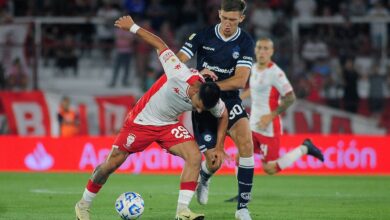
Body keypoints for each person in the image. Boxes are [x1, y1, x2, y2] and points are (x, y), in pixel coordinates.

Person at [75, 15, 229, 220]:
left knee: (194, 156)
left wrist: (219, 147)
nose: (199, 111)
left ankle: (182, 212)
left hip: (167, 124)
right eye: (199, 106)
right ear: (195, 90)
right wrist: (132, 27)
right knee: (110, 165)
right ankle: (83, 205)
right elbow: (160, 44)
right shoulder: (178, 74)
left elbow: (224, 114)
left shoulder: (211, 99)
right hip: (141, 121)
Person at [176, 0, 255, 219]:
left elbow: (240, 80)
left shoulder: (246, 42)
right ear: (219, 14)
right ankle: (205, 175)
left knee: (246, 143)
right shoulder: (202, 36)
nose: (228, 24)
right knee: (214, 161)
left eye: (233, 20)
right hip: (204, 105)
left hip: (229, 100)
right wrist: (195, 74)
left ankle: (242, 209)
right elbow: (178, 61)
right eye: (224, 18)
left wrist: (208, 85)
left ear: (241, 18)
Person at [225, 38, 324, 202]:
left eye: (266, 49)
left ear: (271, 52)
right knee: (240, 157)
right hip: (253, 124)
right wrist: (240, 97)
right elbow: (255, 88)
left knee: (269, 168)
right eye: (259, 48)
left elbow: (290, 98)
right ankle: (242, 194)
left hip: (269, 128)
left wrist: (270, 116)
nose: (262, 51)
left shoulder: (276, 73)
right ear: (255, 50)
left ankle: (305, 148)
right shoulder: (254, 68)